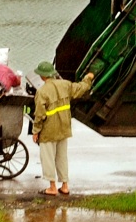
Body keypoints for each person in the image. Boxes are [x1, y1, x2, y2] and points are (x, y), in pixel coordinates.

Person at [32, 62, 94, 196]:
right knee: (61, 157)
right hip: (64, 127)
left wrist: (36, 131)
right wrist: (88, 78)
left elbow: (39, 115)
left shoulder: (42, 91)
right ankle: (65, 186)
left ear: (42, 77)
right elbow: (81, 88)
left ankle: (52, 187)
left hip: (49, 130)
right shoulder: (65, 84)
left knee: (48, 157)